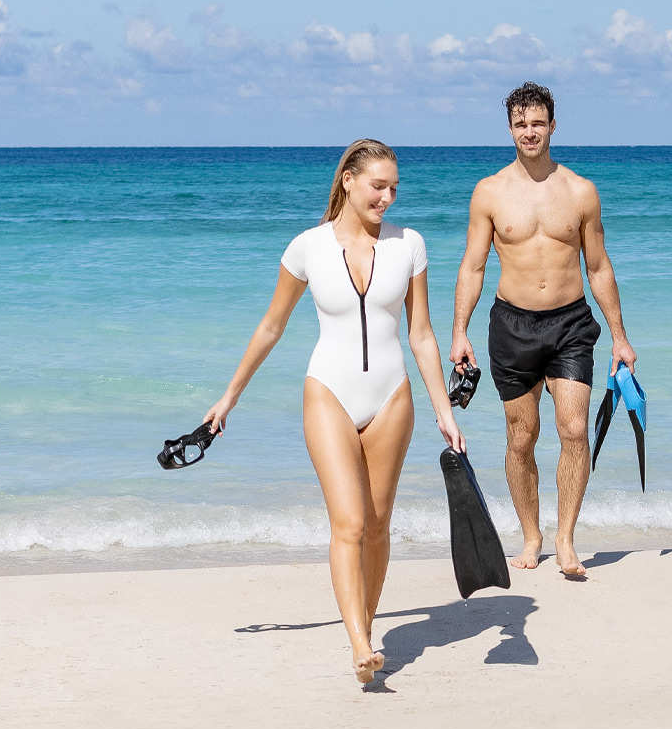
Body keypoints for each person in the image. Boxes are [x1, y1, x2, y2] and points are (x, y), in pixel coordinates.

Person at [203, 139, 464, 683]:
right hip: (329, 392)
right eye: (378, 185)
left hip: (392, 397)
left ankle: (363, 619)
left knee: (377, 524)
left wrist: (444, 408)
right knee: (348, 521)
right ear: (348, 179)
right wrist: (229, 397)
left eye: (394, 187)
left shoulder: (409, 245)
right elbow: (271, 326)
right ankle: (361, 644)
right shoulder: (307, 247)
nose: (388, 197)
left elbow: (420, 335)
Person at [450, 82, 636, 578]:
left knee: (574, 429)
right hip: (511, 325)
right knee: (520, 437)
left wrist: (619, 336)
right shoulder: (489, 192)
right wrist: (459, 332)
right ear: (509, 129)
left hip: (570, 323)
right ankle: (531, 536)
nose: (529, 132)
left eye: (537, 123)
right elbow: (472, 267)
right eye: (520, 124)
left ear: (553, 125)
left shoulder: (580, 192)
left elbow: (598, 266)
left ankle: (566, 539)